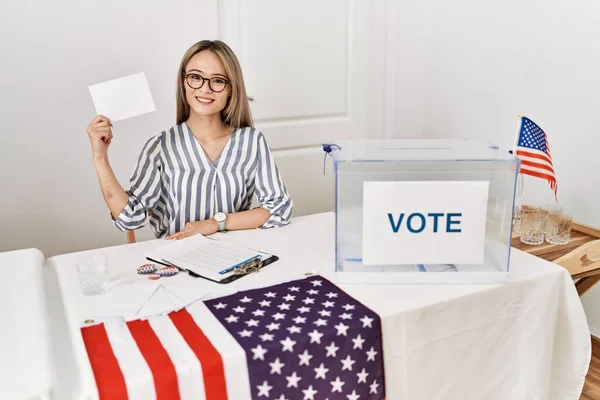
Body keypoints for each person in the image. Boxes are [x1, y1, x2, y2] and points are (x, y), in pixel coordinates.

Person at [86, 40, 293, 240]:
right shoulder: (160, 146)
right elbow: (129, 219)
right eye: (195, 77)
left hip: (237, 259)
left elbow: (279, 208)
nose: (205, 88)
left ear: (231, 88)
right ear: (183, 82)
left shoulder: (252, 141)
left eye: (218, 80)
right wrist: (100, 157)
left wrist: (215, 223)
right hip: (177, 263)